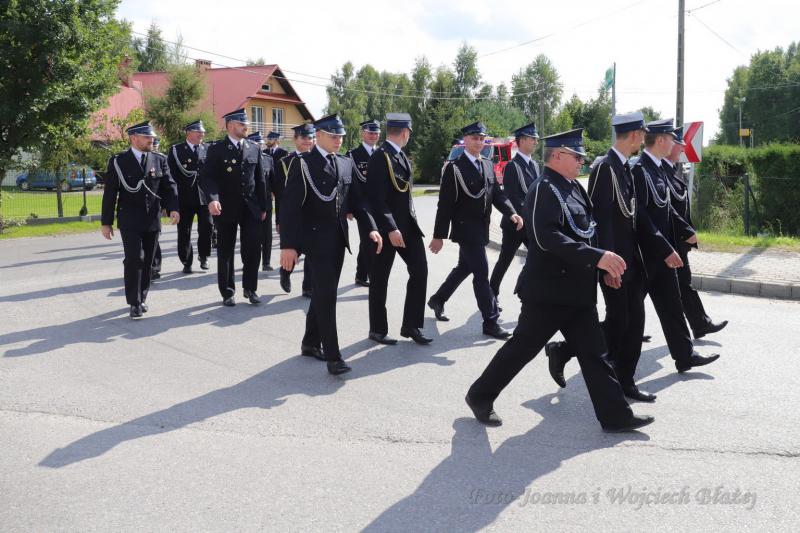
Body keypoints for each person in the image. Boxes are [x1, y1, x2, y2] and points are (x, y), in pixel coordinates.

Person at [465, 128, 654, 432]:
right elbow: (546, 237)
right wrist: (597, 257)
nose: (581, 161)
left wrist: (603, 268)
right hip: (548, 293)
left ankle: (615, 416)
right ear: (557, 156)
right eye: (576, 156)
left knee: (595, 355)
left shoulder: (574, 188)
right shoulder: (543, 189)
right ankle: (479, 395)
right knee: (521, 349)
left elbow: (589, 231)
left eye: (581, 157)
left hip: (578, 293)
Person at [546, 112, 660, 401]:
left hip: (630, 260)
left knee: (631, 322)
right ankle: (614, 376)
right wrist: (607, 267)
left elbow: (632, 216)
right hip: (614, 262)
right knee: (621, 322)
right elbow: (599, 220)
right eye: (642, 134)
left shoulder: (624, 167)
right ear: (634, 135)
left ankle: (621, 378)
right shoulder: (605, 168)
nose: (643, 139)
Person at [279, 114, 383, 375]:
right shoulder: (303, 163)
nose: (338, 140)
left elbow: (357, 201)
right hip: (314, 241)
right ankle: (334, 357)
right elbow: (289, 207)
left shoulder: (345, 163)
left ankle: (310, 342)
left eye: (341, 136)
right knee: (327, 296)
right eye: (333, 136)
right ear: (319, 135)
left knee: (324, 293)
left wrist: (371, 227)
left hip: (338, 239)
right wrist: (288, 246)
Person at [633, 119, 720, 372]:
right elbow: (642, 217)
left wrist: (685, 231)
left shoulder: (658, 167)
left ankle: (685, 356)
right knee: (626, 316)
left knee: (672, 306)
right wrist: (665, 248)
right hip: (645, 257)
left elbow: (667, 208)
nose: (675, 143)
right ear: (660, 140)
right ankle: (569, 348)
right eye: (671, 138)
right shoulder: (639, 170)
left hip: (664, 254)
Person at [428, 121, 523, 339]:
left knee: (465, 267)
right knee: (481, 272)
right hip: (465, 230)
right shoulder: (454, 168)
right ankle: (490, 320)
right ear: (465, 140)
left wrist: (511, 213)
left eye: (481, 139)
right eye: (474, 138)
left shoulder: (488, 164)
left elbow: (497, 194)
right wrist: (439, 235)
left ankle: (438, 299)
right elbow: (445, 205)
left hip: (482, 228)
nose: (479, 142)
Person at [100, 121, 179, 318]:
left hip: (152, 218)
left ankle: (142, 297)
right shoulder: (118, 161)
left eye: (152, 137)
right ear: (134, 138)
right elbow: (110, 193)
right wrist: (106, 222)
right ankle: (134, 302)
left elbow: (169, 186)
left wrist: (173, 208)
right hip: (130, 219)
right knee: (135, 259)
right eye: (147, 137)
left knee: (148, 261)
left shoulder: (159, 159)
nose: (151, 140)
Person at [365, 113, 431, 345]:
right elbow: (376, 199)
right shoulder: (380, 157)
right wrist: (391, 227)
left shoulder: (401, 156)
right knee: (380, 278)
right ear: (405, 132)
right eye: (409, 133)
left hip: (407, 227)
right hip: (387, 230)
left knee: (420, 270)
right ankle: (377, 329)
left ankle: (411, 325)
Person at [199, 108, 269, 307]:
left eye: (246, 124)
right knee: (226, 251)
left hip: (251, 208)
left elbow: (260, 180)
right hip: (226, 207)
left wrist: (263, 206)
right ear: (230, 126)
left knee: (253, 249)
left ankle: (250, 288)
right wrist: (212, 199)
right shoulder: (216, 149)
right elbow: (207, 178)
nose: (246, 127)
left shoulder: (254, 148)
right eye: (242, 124)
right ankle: (228, 292)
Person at [663, 127, 728, 339]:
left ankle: (700, 325)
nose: (683, 148)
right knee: (644, 291)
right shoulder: (660, 171)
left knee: (683, 284)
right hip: (668, 241)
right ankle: (620, 330)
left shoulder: (672, 169)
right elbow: (667, 209)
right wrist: (686, 230)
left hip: (677, 241)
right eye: (679, 145)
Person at [489, 122, 540, 304]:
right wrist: (527, 216)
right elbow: (513, 197)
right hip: (515, 225)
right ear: (521, 141)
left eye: (536, 139)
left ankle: (523, 288)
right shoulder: (512, 166)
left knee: (538, 257)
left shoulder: (535, 165)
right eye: (532, 138)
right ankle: (491, 294)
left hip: (530, 224)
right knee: (505, 261)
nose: (536, 141)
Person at [274, 123, 316, 297]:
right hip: (294, 215)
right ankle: (285, 272)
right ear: (295, 139)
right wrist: (279, 220)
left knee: (312, 251)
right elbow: (281, 196)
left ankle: (308, 287)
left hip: (312, 215)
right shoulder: (285, 162)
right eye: (304, 138)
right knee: (294, 249)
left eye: (311, 137)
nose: (308, 141)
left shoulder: (318, 160)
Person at [168, 120, 212, 274]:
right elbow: (171, 178)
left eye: (202, 131)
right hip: (184, 198)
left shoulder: (208, 149)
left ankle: (204, 256)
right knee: (184, 231)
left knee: (207, 227)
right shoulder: (176, 150)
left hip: (204, 197)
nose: (202, 134)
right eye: (198, 131)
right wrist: (171, 203)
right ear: (188, 133)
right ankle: (187, 261)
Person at [347, 118, 382, 287]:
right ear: (362, 134)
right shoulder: (353, 155)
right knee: (370, 240)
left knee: (368, 241)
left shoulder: (382, 153)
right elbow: (347, 184)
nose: (373, 136)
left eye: (376, 133)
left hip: (379, 205)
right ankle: (374, 278)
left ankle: (361, 275)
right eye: (370, 133)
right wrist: (348, 208)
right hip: (361, 205)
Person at [260, 131, 285, 271]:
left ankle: (266, 262)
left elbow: (274, 177)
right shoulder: (262, 154)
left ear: (276, 140)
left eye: (271, 138)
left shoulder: (280, 154)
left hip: (268, 197)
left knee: (267, 234)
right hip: (252, 201)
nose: (267, 141)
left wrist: (278, 192)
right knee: (253, 234)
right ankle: (250, 261)